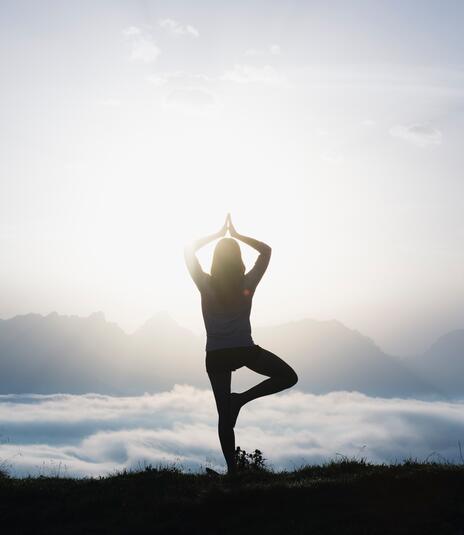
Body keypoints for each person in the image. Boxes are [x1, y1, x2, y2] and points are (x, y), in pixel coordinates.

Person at [184, 213, 298, 475]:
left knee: (224, 416)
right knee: (288, 377)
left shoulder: (205, 284)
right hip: (244, 351)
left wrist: (216, 235)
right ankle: (242, 400)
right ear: (238, 260)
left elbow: (187, 250)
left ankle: (233, 471)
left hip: (215, 356)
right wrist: (235, 236)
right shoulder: (247, 282)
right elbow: (266, 251)